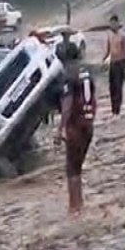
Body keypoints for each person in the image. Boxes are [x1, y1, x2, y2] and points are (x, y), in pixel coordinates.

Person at [55, 63, 96, 215]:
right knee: (77, 167)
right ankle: (80, 204)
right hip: (88, 125)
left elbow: (67, 106)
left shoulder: (68, 77)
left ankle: (74, 207)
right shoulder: (88, 74)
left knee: (71, 168)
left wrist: (60, 130)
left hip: (75, 127)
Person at [103, 15, 125, 116]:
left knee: (118, 86)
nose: (113, 25)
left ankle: (117, 109)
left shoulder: (123, 35)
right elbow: (107, 50)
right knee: (112, 86)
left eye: (115, 23)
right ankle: (113, 107)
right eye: (111, 23)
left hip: (121, 62)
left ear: (118, 23)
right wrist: (103, 60)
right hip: (112, 63)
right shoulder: (109, 35)